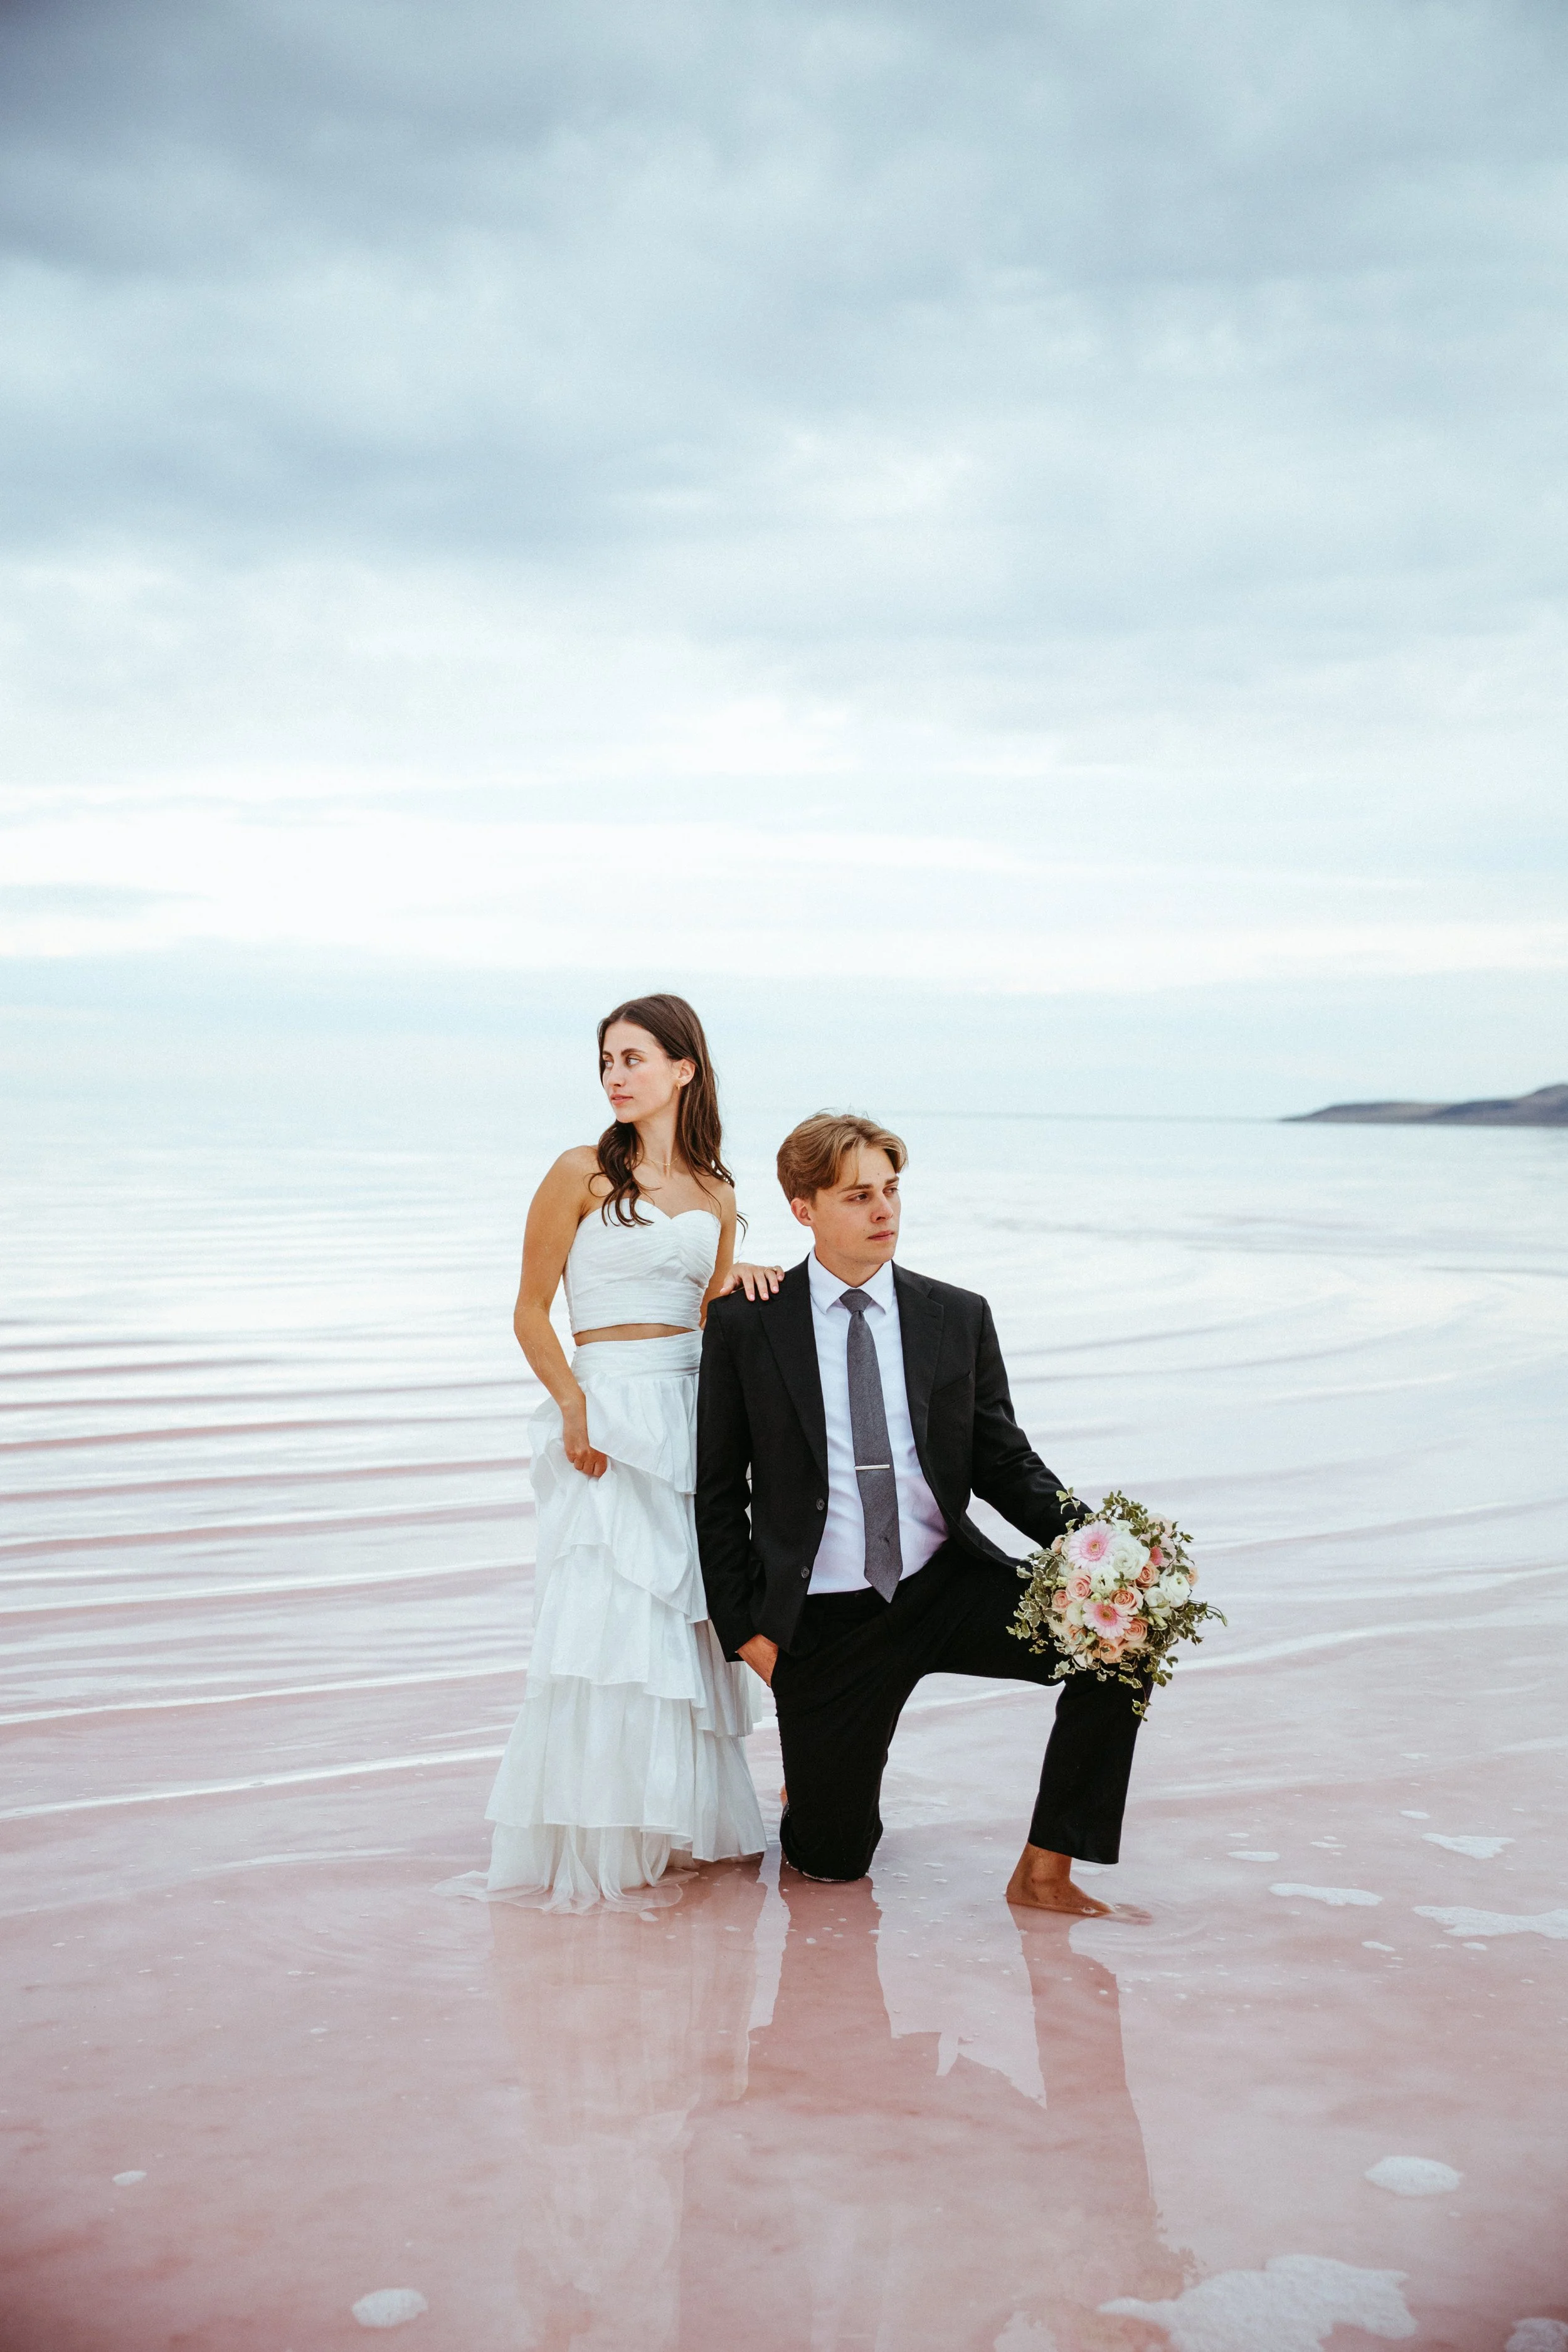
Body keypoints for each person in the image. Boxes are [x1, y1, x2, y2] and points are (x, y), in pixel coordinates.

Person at [695, 1111, 1147, 1914]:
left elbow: (1003, 1461)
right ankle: (814, 1787)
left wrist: (1097, 1547)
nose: (884, 1212)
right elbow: (721, 1491)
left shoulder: (956, 1315)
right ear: (804, 1208)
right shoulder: (749, 1322)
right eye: (858, 1195)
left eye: (892, 1190)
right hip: (826, 1620)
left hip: (944, 1585)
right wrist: (747, 1631)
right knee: (832, 1867)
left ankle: (1045, 1870)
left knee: (1118, 1650)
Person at [484, 993, 782, 1907]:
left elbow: (709, 1319)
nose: (616, 1075)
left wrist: (745, 1277)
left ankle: (677, 1821)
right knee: (610, 1614)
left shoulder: (721, 1193)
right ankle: (604, 1829)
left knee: (687, 1618)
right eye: (607, 1061)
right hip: (608, 1407)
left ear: (683, 1068)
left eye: (634, 1058)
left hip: (693, 1412)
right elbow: (531, 1310)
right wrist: (572, 1404)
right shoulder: (579, 1171)